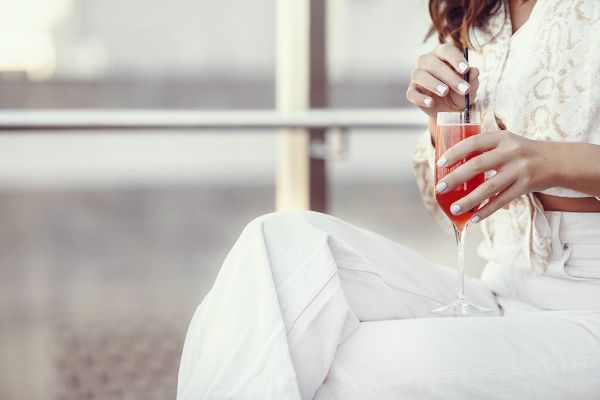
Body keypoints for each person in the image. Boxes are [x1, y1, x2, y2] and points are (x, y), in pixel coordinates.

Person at [177, 1, 600, 399]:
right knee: (277, 242)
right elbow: (451, 202)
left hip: (589, 308)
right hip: (500, 286)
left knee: (339, 364)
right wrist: (443, 120)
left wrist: (551, 161)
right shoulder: (481, 15)